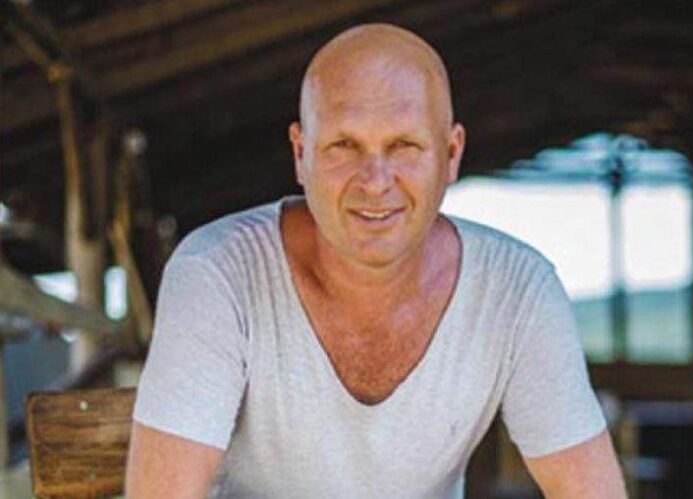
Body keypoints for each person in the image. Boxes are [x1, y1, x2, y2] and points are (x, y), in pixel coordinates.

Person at [125, 23, 626, 498]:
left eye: (404, 145)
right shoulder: (218, 275)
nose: (375, 181)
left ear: (451, 154)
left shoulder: (517, 293)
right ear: (301, 153)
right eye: (344, 145)